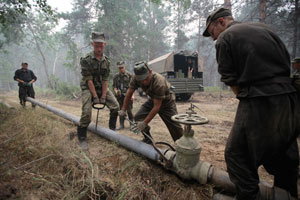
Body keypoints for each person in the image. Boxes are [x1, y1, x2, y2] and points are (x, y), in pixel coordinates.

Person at [203, 8, 300, 200]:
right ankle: (287, 194)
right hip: (289, 100)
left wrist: (248, 100)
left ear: (221, 22)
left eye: (212, 32)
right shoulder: (266, 29)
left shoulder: (226, 38)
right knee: (284, 156)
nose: (213, 38)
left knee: (237, 156)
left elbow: (232, 81)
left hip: (258, 101)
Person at [118, 61, 183, 144]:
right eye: (141, 80)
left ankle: (182, 147)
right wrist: (123, 109)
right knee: (138, 117)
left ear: (150, 72)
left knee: (175, 126)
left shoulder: (159, 82)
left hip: (167, 103)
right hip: (153, 99)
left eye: (146, 79)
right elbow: (129, 93)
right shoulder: (136, 78)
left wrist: (145, 123)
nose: (143, 82)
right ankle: (148, 139)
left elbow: (157, 107)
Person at [77, 32, 119, 150]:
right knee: (86, 112)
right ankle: (82, 137)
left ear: (104, 45)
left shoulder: (107, 61)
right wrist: (95, 97)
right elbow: (89, 80)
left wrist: (104, 97)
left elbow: (105, 80)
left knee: (115, 106)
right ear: (92, 44)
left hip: (101, 87)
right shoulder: (86, 60)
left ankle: (112, 131)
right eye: (96, 46)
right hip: (88, 87)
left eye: (101, 46)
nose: (99, 48)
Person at [113, 61, 134, 130]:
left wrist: (132, 95)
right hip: (120, 96)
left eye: (122, 67)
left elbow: (133, 87)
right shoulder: (116, 76)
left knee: (129, 110)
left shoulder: (129, 75)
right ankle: (121, 124)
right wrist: (116, 91)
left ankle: (132, 124)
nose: (121, 69)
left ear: (124, 66)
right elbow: (114, 86)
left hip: (128, 95)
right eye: (119, 68)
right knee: (121, 110)